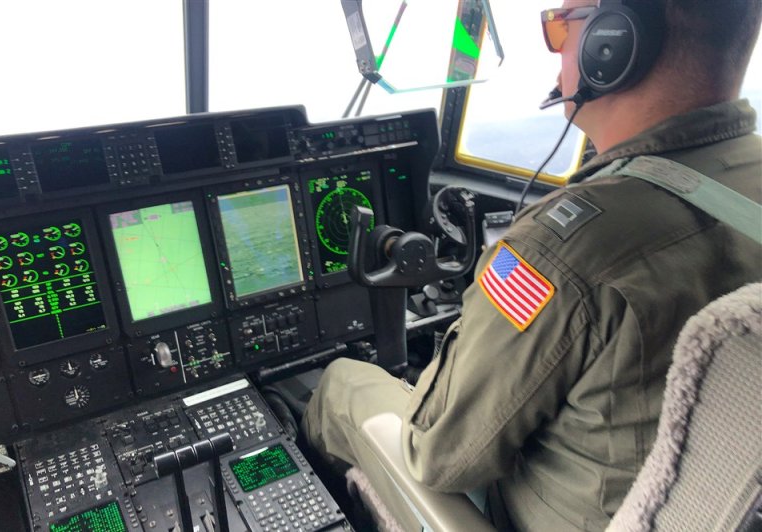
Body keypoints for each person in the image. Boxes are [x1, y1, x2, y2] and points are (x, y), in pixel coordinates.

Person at [302, 0, 762, 529]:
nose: (559, 48)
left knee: (338, 383)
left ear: (613, 44)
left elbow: (435, 452)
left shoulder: (563, 249)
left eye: (561, 26)